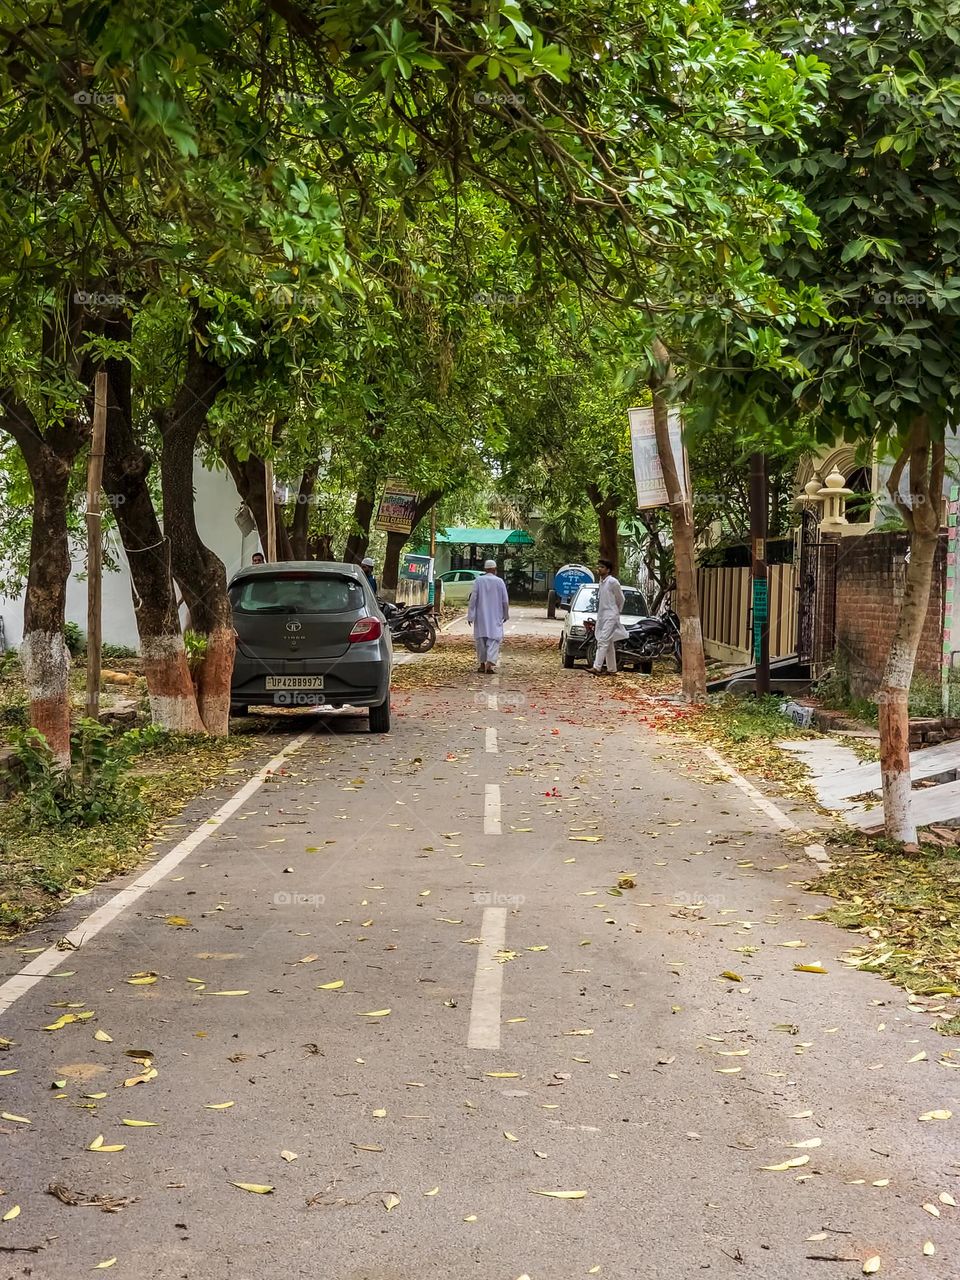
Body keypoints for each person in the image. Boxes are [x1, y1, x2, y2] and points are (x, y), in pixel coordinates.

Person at [467, 559, 509, 674]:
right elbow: (505, 601)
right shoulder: (499, 581)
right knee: (494, 640)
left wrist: (471, 616)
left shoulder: (479, 581)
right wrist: (505, 614)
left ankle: (481, 665)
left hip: (481, 616)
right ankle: (489, 665)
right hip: (496, 616)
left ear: (485, 570)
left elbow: (473, 599)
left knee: (480, 641)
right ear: (495, 570)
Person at [589, 558, 627, 676]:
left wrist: (616, 611)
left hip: (611, 615)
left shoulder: (612, 582)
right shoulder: (601, 582)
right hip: (602, 615)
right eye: (599, 566)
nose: (599, 569)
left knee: (603, 640)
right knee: (608, 643)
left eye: (602, 567)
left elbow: (621, 598)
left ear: (608, 570)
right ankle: (612, 669)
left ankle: (597, 667)